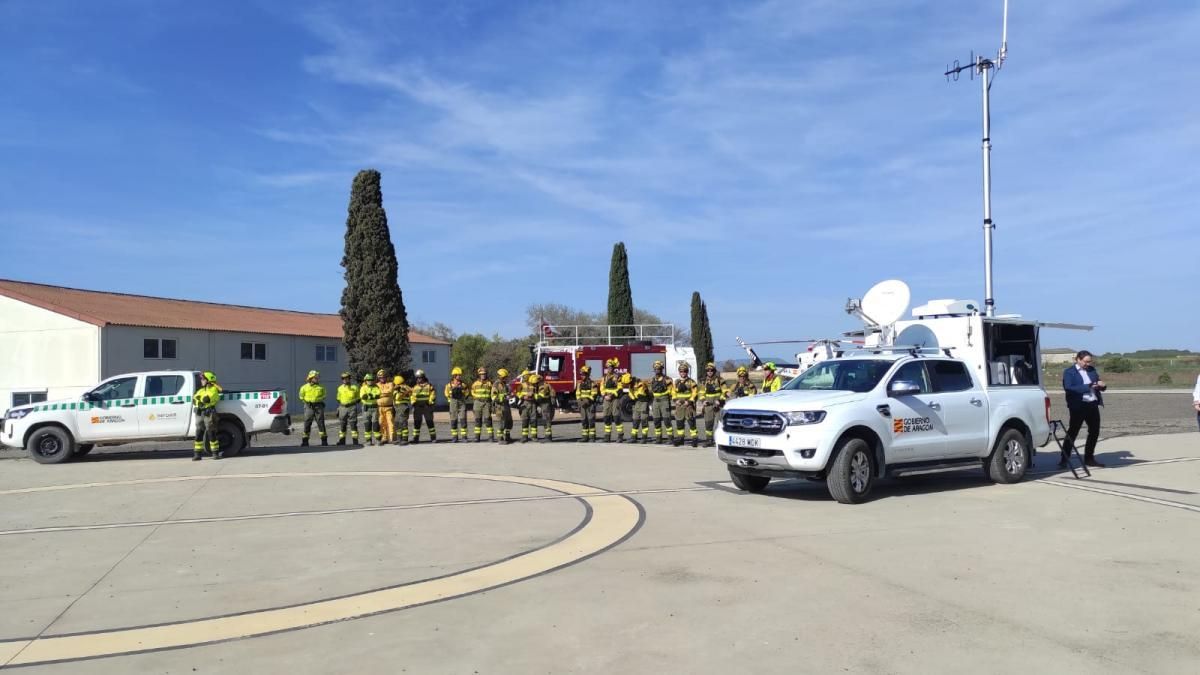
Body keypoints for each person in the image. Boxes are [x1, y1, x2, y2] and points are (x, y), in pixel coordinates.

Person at [1061, 350, 1107, 468]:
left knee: (1094, 432)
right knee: (1073, 431)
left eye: (1089, 362)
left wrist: (1102, 386)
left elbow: (1097, 384)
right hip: (1078, 406)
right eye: (1086, 362)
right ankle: (1064, 458)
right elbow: (1069, 388)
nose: (1088, 364)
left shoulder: (1092, 370)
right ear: (1078, 360)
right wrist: (1088, 386)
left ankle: (1089, 458)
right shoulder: (1069, 372)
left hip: (1092, 404)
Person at [193, 371, 223, 460]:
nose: (201, 380)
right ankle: (197, 454)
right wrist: (199, 400)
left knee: (211, 432)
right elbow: (194, 399)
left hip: (208, 413)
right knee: (199, 433)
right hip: (200, 413)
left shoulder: (213, 389)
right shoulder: (201, 390)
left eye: (203, 379)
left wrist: (200, 400)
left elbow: (207, 399)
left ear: (208, 380)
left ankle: (215, 453)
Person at [670, 362, 699, 447]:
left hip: (688, 405)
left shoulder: (691, 382)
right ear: (679, 372)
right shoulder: (676, 382)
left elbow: (695, 392)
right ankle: (680, 439)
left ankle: (694, 439)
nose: (683, 373)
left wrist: (689, 401)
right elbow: (673, 392)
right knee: (679, 422)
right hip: (679, 405)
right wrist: (675, 400)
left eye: (685, 371)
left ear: (687, 372)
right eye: (681, 371)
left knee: (691, 422)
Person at [699, 362, 726, 448]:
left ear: (714, 371)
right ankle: (709, 440)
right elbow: (701, 393)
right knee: (708, 423)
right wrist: (703, 400)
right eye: (708, 370)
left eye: (711, 370)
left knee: (720, 423)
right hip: (708, 406)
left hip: (718, 405)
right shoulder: (703, 381)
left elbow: (725, 391)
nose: (709, 372)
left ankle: (720, 441)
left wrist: (720, 400)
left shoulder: (720, 380)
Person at [299, 370, 328, 447]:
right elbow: (301, 396)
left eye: (317, 377)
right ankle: (305, 441)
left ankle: (324, 441)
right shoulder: (304, 387)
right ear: (311, 378)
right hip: (308, 407)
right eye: (315, 377)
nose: (317, 379)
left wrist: (318, 400)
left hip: (318, 406)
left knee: (321, 423)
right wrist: (306, 402)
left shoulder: (321, 387)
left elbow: (324, 395)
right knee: (307, 423)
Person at [648, 360, 673, 444]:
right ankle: (658, 438)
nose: (657, 370)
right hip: (655, 401)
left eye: (658, 369)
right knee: (656, 420)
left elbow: (671, 391)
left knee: (667, 420)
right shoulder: (652, 380)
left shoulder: (667, 379)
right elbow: (650, 391)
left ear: (662, 369)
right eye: (655, 369)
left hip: (664, 400)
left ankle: (670, 438)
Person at [410, 370, 438, 444]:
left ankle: (433, 438)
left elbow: (433, 394)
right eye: (418, 378)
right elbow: (412, 395)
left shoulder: (429, 385)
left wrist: (430, 401)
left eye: (420, 378)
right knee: (417, 423)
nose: (419, 379)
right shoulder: (414, 386)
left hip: (427, 406)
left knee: (429, 422)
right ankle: (416, 439)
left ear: (423, 377)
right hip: (417, 406)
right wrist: (413, 402)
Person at [444, 367, 469, 442]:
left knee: (463, 419)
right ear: (454, 376)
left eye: (460, 375)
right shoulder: (449, 385)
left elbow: (467, 392)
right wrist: (449, 398)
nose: (460, 376)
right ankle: (455, 437)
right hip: (453, 402)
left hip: (462, 403)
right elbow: (446, 393)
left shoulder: (463, 385)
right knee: (453, 420)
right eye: (458, 375)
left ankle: (464, 437)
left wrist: (464, 395)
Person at [600, 358, 621, 442]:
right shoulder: (604, 377)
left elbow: (620, 388)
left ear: (614, 368)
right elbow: (601, 388)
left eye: (611, 367)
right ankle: (607, 436)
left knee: (616, 417)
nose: (610, 369)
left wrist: (612, 395)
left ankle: (620, 435)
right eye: (608, 367)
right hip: (606, 398)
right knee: (606, 417)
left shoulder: (617, 377)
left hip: (614, 398)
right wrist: (605, 395)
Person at [335, 372, 360, 446]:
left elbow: (358, 398)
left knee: (353, 424)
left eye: (346, 378)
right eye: (343, 378)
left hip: (352, 407)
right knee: (342, 424)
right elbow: (338, 398)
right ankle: (342, 441)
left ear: (349, 378)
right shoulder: (340, 388)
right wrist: (341, 406)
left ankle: (355, 441)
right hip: (342, 407)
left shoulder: (354, 387)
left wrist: (352, 402)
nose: (345, 380)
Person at [470, 367, 494, 442]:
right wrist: (476, 397)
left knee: (488, 420)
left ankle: (491, 437)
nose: (483, 375)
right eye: (481, 374)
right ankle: (477, 437)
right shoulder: (475, 384)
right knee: (478, 420)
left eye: (484, 374)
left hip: (487, 403)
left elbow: (493, 392)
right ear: (479, 375)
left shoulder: (489, 383)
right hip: (477, 402)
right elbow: (472, 391)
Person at [492, 368, 514, 445]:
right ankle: (500, 439)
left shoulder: (505, 384)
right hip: (499, 406)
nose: (506, 378)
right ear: (501, 377)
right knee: (501, 423)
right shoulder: (496, 385)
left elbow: (508, 393)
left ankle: (507, 437)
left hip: (506, 405)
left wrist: (510, 395)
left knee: (509, 422)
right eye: (505, 377)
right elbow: (493, 397)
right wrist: (504, 397)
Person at [575, 365, 598, 443]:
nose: (582, 376)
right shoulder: (579, 384)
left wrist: (587, 401)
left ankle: (592, 437)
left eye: (583, 374)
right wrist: (579, 401)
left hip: (590, 404)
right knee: (584, 420)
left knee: (591, 420)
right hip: (582, 404)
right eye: (581, 374)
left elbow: (594, 393)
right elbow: (577, 393)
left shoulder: (592, 383)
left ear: (587, 375)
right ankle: (585, 437)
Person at [359, 373, 380, 445]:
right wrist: (372, 396)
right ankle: (368, 440)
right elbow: (363, 396)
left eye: (371, 380)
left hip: (374, 407)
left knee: (375, 423)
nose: (370, 381)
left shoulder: (376, 387)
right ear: (365, 381)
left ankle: (378, 439)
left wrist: (369, 396)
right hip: (366, 408)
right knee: (367, 424)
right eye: (368, 380)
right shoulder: (363, 388)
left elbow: (378, 395)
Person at [376, 368, 395, 444]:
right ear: (378, 378)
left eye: (383, 377)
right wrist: (385, 393)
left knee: (390, 422)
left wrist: (381, 393)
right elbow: (376, 393)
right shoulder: (376, 385)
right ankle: (384, 438)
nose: (382, 378)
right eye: (380, 377)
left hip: (389, 407)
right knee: (381, 423)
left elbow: (390, 391)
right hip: (379, 408)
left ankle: (392, 438)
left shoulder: (390, 384)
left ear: (386, 377)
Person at [631, 374, 652, 443]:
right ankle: (633, 437)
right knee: (635, 420)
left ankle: (644, 437)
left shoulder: (642, 384)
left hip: (644, 403)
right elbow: (631, 394)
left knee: (644, 420)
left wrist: (646, 400)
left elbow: (646, 394)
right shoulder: (631, 386)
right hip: (637, 402)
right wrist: (634, 398)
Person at [518, 372, 539, 443]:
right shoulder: (521, 385)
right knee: (525, 420)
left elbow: (537, 393)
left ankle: (534, 437)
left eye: (526, 376)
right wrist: (523, 396)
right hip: (524, 403)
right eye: (524, 376)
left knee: (533, 420)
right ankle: (524, 437)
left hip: (533, 403)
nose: (525, 377)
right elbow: (517, 393)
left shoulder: (534, 383)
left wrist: (534, 396)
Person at [535, 374, 556, 442]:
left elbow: (541, 396)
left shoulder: (543, 386)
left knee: (546, 419)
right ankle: (547, 436)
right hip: (544, 404)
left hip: (545, 404)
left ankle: (548, 437)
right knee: (545, 419)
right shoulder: (543, 384)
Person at [393, 373, 413, 445]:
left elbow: (398, 397)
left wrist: (397, 391)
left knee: (403, 423)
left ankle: (405, 439)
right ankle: (399, 439)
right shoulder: (403, 387)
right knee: (397, 422)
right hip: (398, 407)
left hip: (402, 406)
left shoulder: (403, 388)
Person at [616, 373, 635, 443]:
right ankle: (633, 437)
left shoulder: (636, 384)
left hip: (638, 403)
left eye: (626, 384)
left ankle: (636, 437)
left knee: (637, 421)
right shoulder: (623, 383)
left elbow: (632, 394)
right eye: (624, 384)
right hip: (634, 401)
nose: (625, 386)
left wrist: (633, 399)